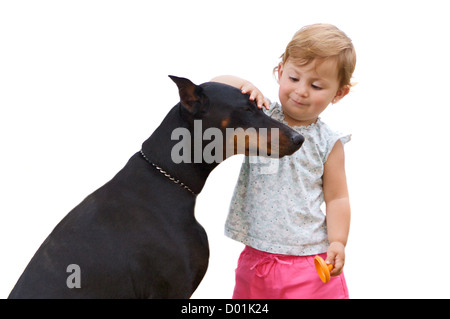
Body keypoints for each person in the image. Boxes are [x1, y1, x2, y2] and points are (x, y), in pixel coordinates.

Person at [212, 23, 356, 299]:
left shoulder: (329, 142)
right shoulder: (261, 118)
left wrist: (338, 241)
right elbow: (213, 87)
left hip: (310, 263)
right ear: (279, 72)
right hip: (256, 259)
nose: (301, 91)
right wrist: (244, 86)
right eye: (293, 78)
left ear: (339, 93)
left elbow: (337, 197)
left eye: (315, 85)